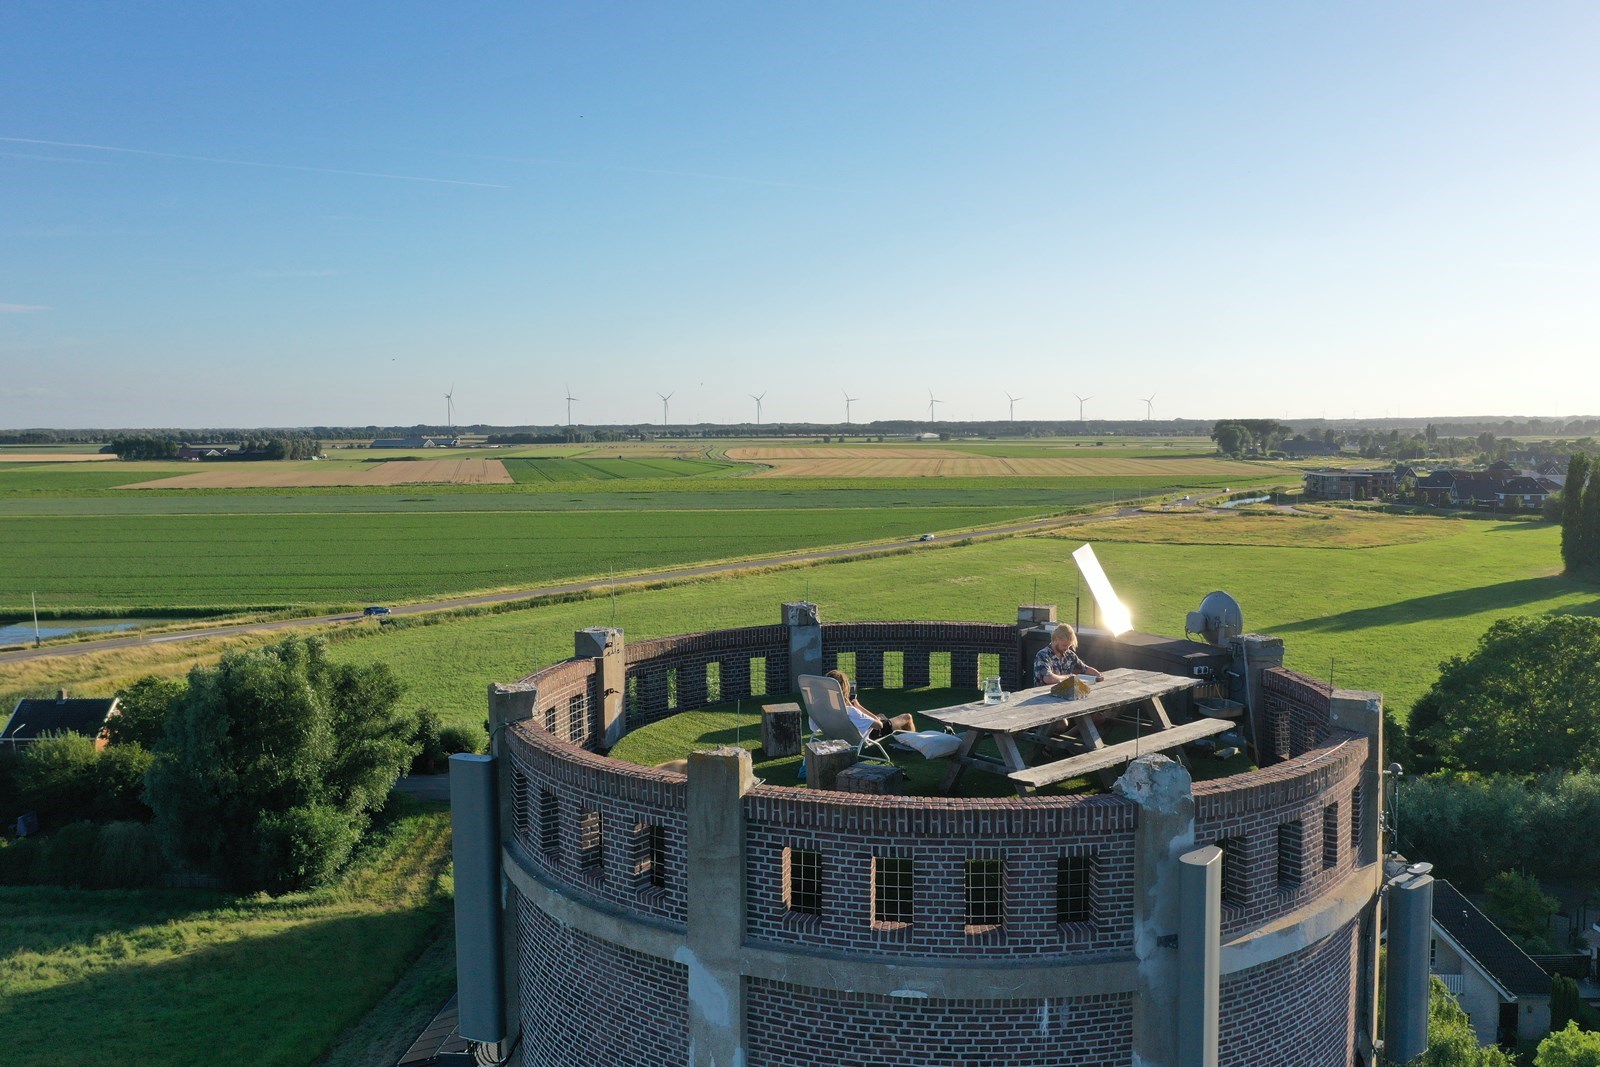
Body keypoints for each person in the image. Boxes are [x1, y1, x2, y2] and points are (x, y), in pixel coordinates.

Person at [826, 669, 915, 740]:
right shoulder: (851, 711)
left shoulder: (825, 707)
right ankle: (913, 742)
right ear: (845, 688)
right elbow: (879, 725)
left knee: (881, 715)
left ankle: (899, 738)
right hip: (872, 733)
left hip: (847, 733)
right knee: (907, 717)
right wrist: (858, 707)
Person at [1033, 624, 1104, 687]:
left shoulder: (1069, 655)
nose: (1066, 648)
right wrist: (1069, 678)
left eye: (1069, 646)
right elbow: (1048, 679)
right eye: (1064, 645)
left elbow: (1084, 669)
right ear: (1056, 639)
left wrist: (1098, 675)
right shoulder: (1043, 655)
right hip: (1044, 697)